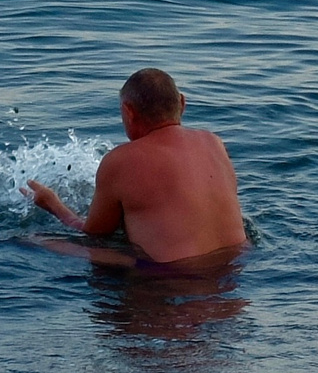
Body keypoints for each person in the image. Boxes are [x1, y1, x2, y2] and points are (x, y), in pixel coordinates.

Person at [25, 68, 248, 265]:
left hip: (172, 279)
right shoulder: (214, 143)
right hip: (235, 269)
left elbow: (93, 235)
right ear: (182, 103)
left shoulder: (120, 160)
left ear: (128, 112)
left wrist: (52, 204)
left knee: (34, 241)